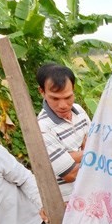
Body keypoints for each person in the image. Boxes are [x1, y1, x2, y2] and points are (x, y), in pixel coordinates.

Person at [36, 63, 90, 202]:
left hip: (90, 192)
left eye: (68, 97)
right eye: (55, 98)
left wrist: (71, 156)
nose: (63, 105)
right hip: (68, 203)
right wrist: (93, 152)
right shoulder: (42, 128)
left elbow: (95, 142)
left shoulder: (79, 111)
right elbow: (70, 174)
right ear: (42, 92)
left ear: (74, 89)